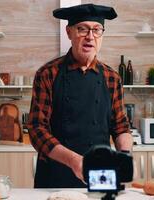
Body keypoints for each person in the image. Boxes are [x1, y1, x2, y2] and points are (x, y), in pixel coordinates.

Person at [27, 3, 133, 188]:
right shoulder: (48, 74)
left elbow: (120, 127)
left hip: (100, 174)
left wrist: (124, 155)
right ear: (69, 33)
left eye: (96, 30)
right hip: (55, 175)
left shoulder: (112, 78)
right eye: (82, 29)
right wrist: (74, 160)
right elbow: (37, 129)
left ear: (102, 35)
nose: (90, 36)